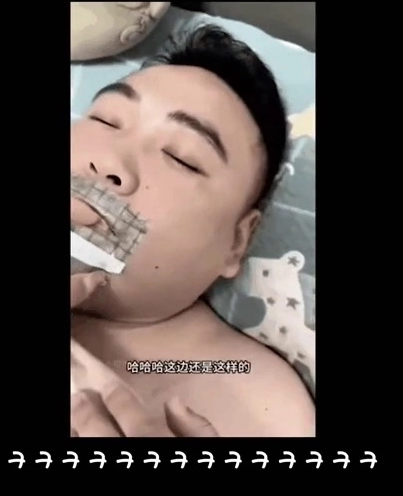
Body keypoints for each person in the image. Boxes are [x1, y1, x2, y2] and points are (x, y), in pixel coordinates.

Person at [71, 25, 315, 437]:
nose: (109, 162)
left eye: (181, 157)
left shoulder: (258, 407)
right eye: (106, 120)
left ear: (236, 242)